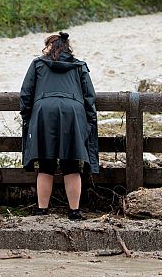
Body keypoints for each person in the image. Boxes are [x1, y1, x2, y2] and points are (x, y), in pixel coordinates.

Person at [19, 32, 98, 221]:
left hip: (44, 113)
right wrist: (89, 122)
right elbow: (90, 97)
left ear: (49, 47)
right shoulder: (79, 66)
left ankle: (42, 210)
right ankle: (74, 211)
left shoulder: (38, 64)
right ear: (67, 47)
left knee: (46, 164)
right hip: (72, 113)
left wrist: (28, 118)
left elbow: (25, 94)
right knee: (71, 164)